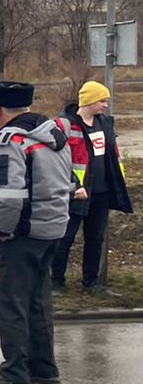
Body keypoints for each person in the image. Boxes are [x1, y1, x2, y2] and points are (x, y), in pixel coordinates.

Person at [0, 80, 73, 384]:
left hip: (20, 233)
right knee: (38, 301)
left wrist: (0, 231)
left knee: (12, 303)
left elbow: (8, 195)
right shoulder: (52, 133)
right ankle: (44, 369)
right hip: (53, 227)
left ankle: (15, 372)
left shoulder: (9, 140)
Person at [52, 81, 133, 296]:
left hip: (101, 192)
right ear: (89, 101)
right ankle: (55, 283)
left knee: (95, 238)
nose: (106, 105)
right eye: (102, 100)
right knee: (65, 238)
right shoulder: (65, 125)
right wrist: (74, 186)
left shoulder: (105, 123)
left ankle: (91, 283)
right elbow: (57, 161)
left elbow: (111, 155)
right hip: (75, 194)